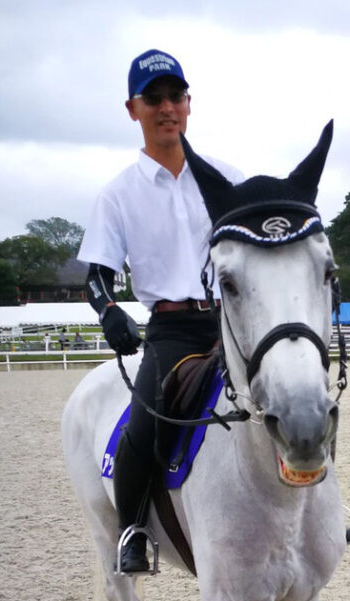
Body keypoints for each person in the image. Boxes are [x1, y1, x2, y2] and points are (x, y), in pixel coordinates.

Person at [78, 48, 245, 572]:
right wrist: (110, 312)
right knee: (145, 423)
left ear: (189, 104)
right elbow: (97, 276)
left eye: (175, 96)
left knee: (298, 389)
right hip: (172, 329)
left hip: (230, 319)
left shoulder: (225, 177)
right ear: (134, 109)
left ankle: (330, 506)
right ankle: (131, 531)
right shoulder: (118, 195)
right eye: (154, 98)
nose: (166, 106)